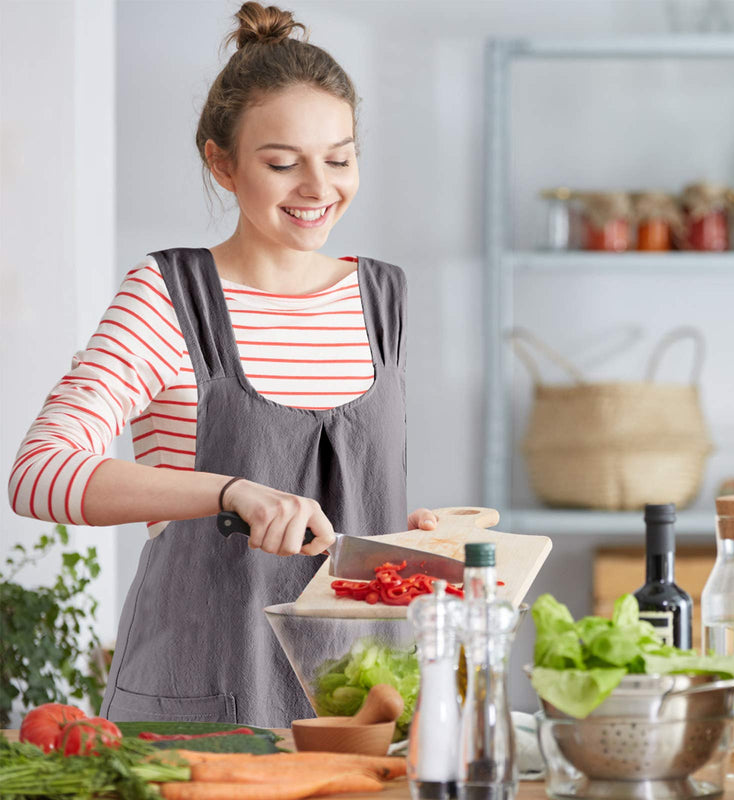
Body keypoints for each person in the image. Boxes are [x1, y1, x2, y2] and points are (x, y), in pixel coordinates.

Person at [7, 2, 438, 727]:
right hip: (202, 703)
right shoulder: (169, 298)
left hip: (363, 709)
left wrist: (412, 544)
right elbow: (38, 473)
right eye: (282, 163)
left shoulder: (381, 299)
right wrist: (232, 492)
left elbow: (354, 494)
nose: (318, 187)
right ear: (222, 162)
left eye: (339, 158)